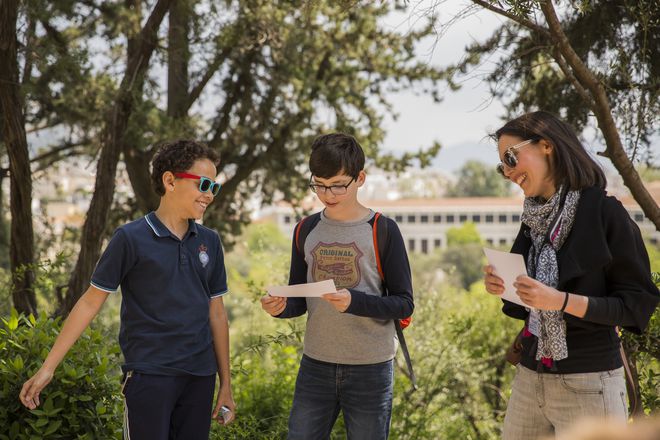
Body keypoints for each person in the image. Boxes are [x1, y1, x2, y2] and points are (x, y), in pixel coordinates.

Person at [19, 140, 235, 440]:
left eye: (215, 186)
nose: (209, 194)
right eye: (204, 184)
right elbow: (89, 304)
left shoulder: (209, 242)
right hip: (150, 376)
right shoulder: (130, 238)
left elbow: (217, 314)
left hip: (200, 377)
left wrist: (226, 384)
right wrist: (48, 368)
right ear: (170, 180)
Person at [483, 111, 659, 440]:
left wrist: (561, 300)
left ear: (547, 145)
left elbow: (636, 305)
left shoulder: (606, 213)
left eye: (511, 158)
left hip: (590, 383)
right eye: (501, 166)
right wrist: (504, 287)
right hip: (530, 375)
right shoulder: (533, 218)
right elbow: (527, 303)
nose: (508, 172)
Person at [260, 133, 414, 440]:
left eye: (338, 185)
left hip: (371, 367)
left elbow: (404, 303)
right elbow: (300, 299)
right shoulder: (306, 229)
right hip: (315, 363)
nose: (328, 193)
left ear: (360, 178)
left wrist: (353, 302)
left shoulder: (382, 229)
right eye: (319, 184)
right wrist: (280, 308)